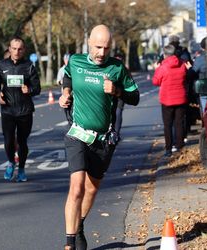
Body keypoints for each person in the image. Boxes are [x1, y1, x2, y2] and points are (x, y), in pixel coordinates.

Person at [59, 24, 139, 250]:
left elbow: (135, 97)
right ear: (88, 44)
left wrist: (117, 91)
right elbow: (66, 77)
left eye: (106, 48)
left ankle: (80, 224)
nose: (102, 53)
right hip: (78, 134)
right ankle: (69, 243)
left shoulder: (116, 68)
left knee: (92, 188)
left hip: (104, 138)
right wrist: (66, 94)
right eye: (97, 47)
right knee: (77, 187)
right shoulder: (75, 61)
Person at [0, 36, 41, 182]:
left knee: (22, 141)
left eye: (20, 49)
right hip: (8, 110)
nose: (16, 51)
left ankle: (21, 168)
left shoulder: (29, 66)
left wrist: (30, 89)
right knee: (8, 141)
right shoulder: (2, 65)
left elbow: (37, 88)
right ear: (9, 49)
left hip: (24, 111)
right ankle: (10, 162)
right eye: (14, 49)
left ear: (24, 50)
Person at [152, 44, 188, 157]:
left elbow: (155, 81)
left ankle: (168, 149)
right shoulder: (181, 64)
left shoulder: (163, 67)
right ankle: (180, 146)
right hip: (181, 98)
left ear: (164, 54)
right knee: (179, 123)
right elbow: (185, 76)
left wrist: (156, 69)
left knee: (167, 125)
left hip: (167, 99)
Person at [186, 37, 207, 113]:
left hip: (204, 88)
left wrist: (189, 69)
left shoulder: (200, 59)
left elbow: (192, 73)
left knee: (205, 109)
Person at [57, 53, 73, 126]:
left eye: (68, 59)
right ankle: (70, 123)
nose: (66, 61)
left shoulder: (74, 68)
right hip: (65, 94)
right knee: (67, 111)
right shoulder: (61, 70)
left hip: (73, 94)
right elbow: (58, 81)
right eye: (65, 59)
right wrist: (63, 82)